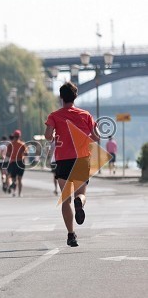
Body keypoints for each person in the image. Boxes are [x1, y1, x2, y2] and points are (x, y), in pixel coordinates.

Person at [45, 81, 99, 247]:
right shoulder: (85, 115)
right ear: (75, 97)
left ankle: (71, 235)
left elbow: (47, 136)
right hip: (82, 159)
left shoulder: (54, 115)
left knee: (65, 200)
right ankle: (80, 202)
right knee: (81, 194)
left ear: (61, 97)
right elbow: (97, 137)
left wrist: (54, 134)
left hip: (63, 160)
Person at [6, 129, 27, 197]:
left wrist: (12, 155)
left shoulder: (10, 144)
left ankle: (13, 192)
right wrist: (22, 155)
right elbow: (26, 153)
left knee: (13, 179)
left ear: (14, 136)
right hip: (20, 162)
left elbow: (7, 154)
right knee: (20, 179)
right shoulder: (22, 144)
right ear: (19, 136)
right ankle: (20, 193)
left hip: (13, 162)